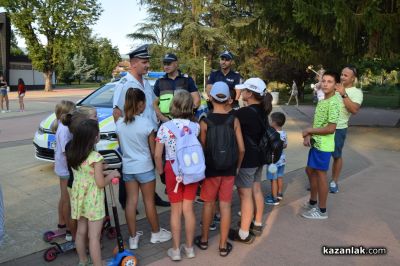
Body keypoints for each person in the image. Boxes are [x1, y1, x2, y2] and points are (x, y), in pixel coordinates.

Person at [112, 44, 169, 207]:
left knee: (148, 164)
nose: (148, 65)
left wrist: (163, 120)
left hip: (149, 131)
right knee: (130, 167)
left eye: (147, 62)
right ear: (134, 63)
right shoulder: (124, 84)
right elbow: (117, 113)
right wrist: (123, 137)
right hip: (135, 135)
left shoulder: (145, 82)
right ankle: (126, 200)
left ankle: (152, 196)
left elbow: (151, 107)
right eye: (144, 62)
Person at [116, 88, 171, 250]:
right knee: (149, 201)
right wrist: (160, 168)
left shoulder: (119, 124)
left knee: (131, 202)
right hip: (145, 168)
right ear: (140, 104)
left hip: (128, 168)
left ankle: (133, 238)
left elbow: (122, 147)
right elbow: (154, 152)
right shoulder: (146, 124)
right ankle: (155, 233)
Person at [195, 82, 245, 257]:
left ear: (210, 97)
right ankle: (223, 246)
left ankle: (204, 240)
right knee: (225, 206)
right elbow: (241, 149)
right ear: (229, 99)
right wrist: (236, 167)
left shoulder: (204, 121)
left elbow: (201, 147)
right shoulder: (234, 120)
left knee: (208, 204)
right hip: (229, 169)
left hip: (211, 170)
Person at [67, 119, 121, 266]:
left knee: (80, 231)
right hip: (93, 200)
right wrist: (112, 174)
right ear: (95, 137)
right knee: (94, 237)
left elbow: (85, 171)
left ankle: (83, 261)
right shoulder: (95, 157)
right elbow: (100, 183)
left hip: (79, 197)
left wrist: (101, 169)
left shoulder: (73, 152)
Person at [154, 90, 200, 261]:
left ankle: (175, 250)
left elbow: (158, 155)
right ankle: (189, 248)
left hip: (172, 170)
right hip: (191, 170)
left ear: (173, 105)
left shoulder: (165, 128)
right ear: (190, 106)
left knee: (175, 211)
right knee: (189, 210)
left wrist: (161, 172)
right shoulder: (195, 127)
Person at [229, 78, 272, 243]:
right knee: (256, 190)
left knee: (245, 195)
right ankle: (257, 223)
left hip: (246, 159)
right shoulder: (262, 110)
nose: (241, 93)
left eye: (243, 90)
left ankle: (244, 233)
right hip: (259, 157)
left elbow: (227, 117)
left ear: (249, 93)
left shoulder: (243, 113)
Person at [301, 71, 341, 220]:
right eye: (323, 81)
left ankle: (322, 211)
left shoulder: (334, 103)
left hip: (324, 145)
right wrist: (310, 135)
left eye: (330, 81)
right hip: (316, 143)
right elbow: (318, 122)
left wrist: (309, 130)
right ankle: (313, 202)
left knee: (320, 175)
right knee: (309, 170)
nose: (325, 84)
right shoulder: (323, 100)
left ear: (336, 85)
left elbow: (331, 128)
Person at [329, 66, 363, 193]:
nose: (342, 77)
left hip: (339, 128)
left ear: (353, 78)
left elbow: (354, 110)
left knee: (336, 156)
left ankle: (334, 181)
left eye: (346, 75)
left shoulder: (357, 92)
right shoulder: (334, 87)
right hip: (325, 127)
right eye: (342, 74)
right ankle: (318, 180)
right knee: (321, 154)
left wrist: (343, 93)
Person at [52, 100, 76, 241]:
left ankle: (62, 222)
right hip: (66, 169)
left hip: (61, 167)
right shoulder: (65, 130)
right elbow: (67, 152)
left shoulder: (61, 126)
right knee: (67, 199)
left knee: (63, 196)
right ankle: (69, 228)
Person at [153, 53, 200, 122]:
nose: (166, 66)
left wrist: (188, 115)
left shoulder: (187, 79)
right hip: (165, 121)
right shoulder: (159, 81)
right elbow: (154, 103)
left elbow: (197, 100)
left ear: (176, 63)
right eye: (164, 64)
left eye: (168, 64)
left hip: (184, 120)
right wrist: (162, 117)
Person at [265, 112, 288, 205]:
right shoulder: (284, 133)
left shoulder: (272, 134)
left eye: (271, 120)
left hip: (273, 161)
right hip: (282, 160)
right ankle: (279, 193)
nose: (270, 122)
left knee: (273, 179)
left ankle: (274, 198)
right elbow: (285, 145)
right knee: (280, 176)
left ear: (274, 123)